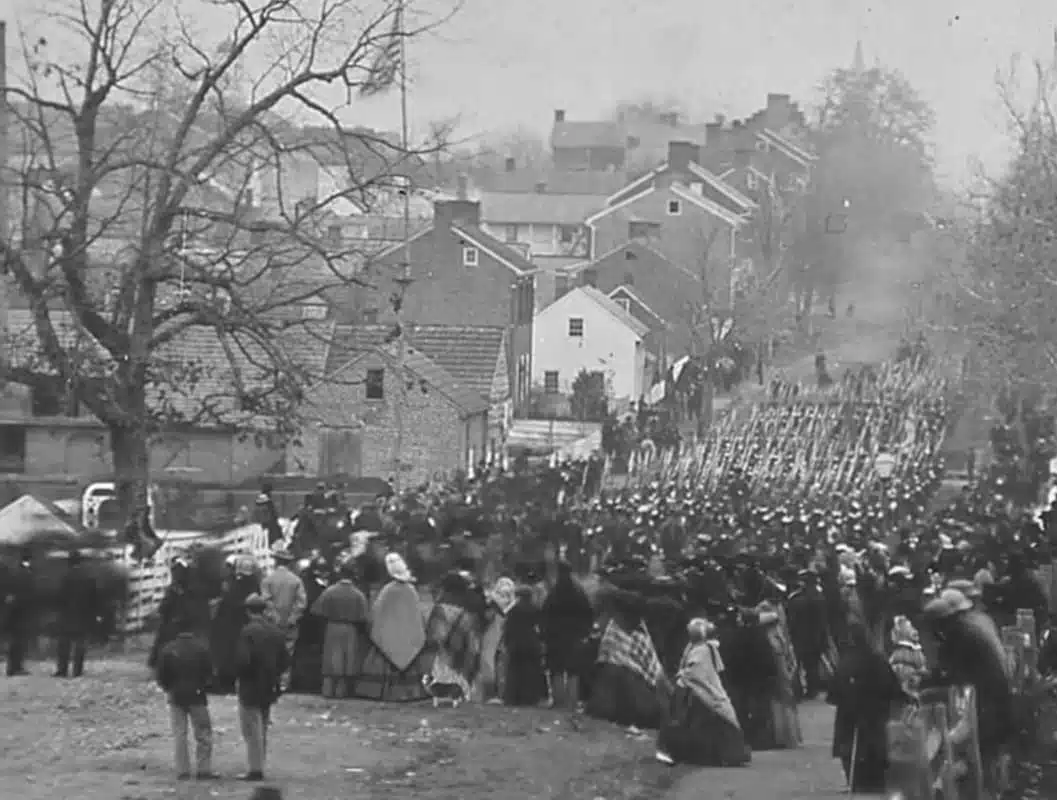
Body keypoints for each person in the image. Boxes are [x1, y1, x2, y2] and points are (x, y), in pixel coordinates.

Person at [656, 618, 750, 767]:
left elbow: (697, 672)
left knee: (699, 720)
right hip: (695, 690)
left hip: (700, 690)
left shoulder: (703, 650)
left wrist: (683, 676)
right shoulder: (697, 648)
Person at [355, 553, 431, 702]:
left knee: (384, 658)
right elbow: (417, 615)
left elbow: (377, 613)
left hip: (387, 638)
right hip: (408, 637)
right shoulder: (411, 591)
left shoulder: (387, 591)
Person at [235, 593, 288, 782]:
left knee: (251, 729)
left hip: (250, 684)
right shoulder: (275, 631)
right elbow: (284, 660)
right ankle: (259, 764)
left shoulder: (247, 632)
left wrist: (238, 675)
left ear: (248, 611)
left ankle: (255, 769)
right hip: (269, 684)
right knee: (263, 726)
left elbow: (243, 661)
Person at [156, 621, 216, 780]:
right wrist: (202, 685)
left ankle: (183, 770)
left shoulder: (168, 649)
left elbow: (161, 675)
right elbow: (209, 672)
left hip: (175, 695)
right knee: (203, 733)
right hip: (197, 695)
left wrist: (169, 688)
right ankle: (204, 769)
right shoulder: (201, 648)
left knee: (180, 734)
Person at [311, 560, 369, 699]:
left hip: (332, 627)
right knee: (347, 661)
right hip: (350, 629)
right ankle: (341, 692)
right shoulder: (358, 594)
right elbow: (364, 617)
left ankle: (328, 691)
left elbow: (316, 610)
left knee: (331, 660)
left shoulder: (329, 592)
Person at [541, 561, 594, 709]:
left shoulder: (554, 592)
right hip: (575, 636)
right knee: (573, 671)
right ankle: (572, 702)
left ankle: (559, 701)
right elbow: (588, 613)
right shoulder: (578, 591)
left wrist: (545, 634)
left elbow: (545, 614)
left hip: (556, 636)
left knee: (556, 669)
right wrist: (585, 632)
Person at [260, 547, 306, 689]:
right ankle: (284, 684)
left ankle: (271, 681)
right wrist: (292, 618)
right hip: (290, 625)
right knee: (287, 652)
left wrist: (274, 617)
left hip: (271, 624)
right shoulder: (296, 581)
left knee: (270, 652)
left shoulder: (267, 580)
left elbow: (265, 601)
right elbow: (301, 603)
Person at [502, 585, 548, 707]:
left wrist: (507, 642)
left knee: (514, 671)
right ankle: (530, 698)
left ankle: (513, 697)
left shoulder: (513, 611)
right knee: (531, 672)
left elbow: (508, 628)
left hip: (516, 644)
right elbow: (542, 628)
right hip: (532, 643)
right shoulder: (536, 609)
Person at [55, 550, 97, 678]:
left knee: (64, 643)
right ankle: (77, 670)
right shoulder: (89, 576)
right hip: (84, 613)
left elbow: (60, 596)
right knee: (80, 643)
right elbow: (94, 596)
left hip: (67, 613)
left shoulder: (66, 576)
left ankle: (62, 670)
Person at [6, 548, 34, 676]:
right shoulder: (26, 574)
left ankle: (13, 666)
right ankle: (16, 667)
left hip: (14, 611)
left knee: (15, 640)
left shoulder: (15, 572)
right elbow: (27, 593)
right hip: (22, 611)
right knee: (20, 640)